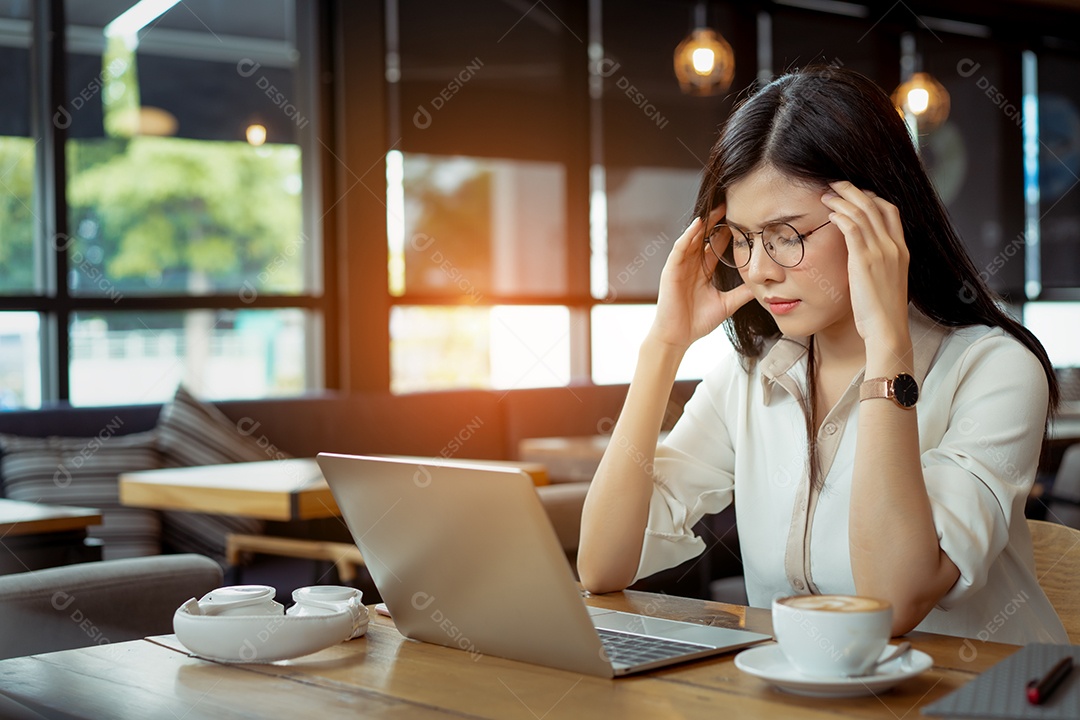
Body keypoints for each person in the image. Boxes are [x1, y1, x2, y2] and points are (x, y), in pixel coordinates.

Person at [578, 65, 1068, 644]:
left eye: (787, 234)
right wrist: (662, 346)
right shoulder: (751, 374)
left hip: (977, 700)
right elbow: (604, 564)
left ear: (877, 220)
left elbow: (892, 600)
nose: (759, 269)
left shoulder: (995, 368)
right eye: (742, 238)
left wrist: (888, 348)